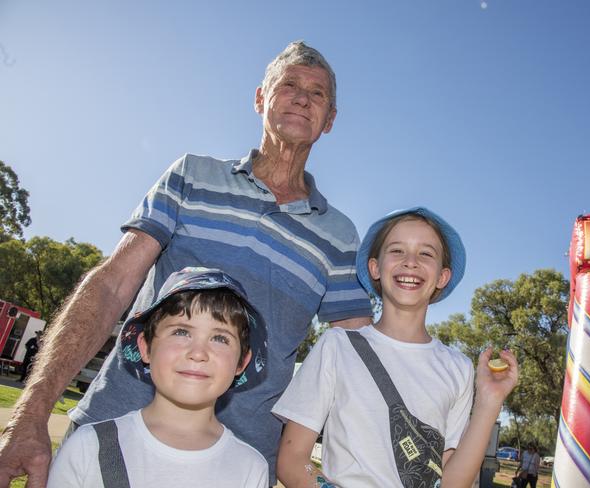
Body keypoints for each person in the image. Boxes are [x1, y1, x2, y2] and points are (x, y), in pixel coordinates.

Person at [0, 41, 371, 488]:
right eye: (289, 84)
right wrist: (32, 410)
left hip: (242, 463)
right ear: (260, 98)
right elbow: (113, 285)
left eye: (318, 93)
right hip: (114, 434)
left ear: (329, 119)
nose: (302, 98)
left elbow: (357, 356)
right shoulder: (192, 174)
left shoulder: (339, 233)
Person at [272, 207, 519, 487]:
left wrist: (489, 401)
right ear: (375, 267)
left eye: (426, 253)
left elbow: (451, 481)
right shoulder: (337, 346)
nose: (411, 262)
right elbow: (292, 459)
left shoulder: (458, 367)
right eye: (397, 251)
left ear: (442, 277)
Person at [46, 268, 268, 487]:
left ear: (242, 362)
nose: (198, 353)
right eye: (181, 332)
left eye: (220, 338)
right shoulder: (89, 447)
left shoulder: (250, 468)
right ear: (146, 347)